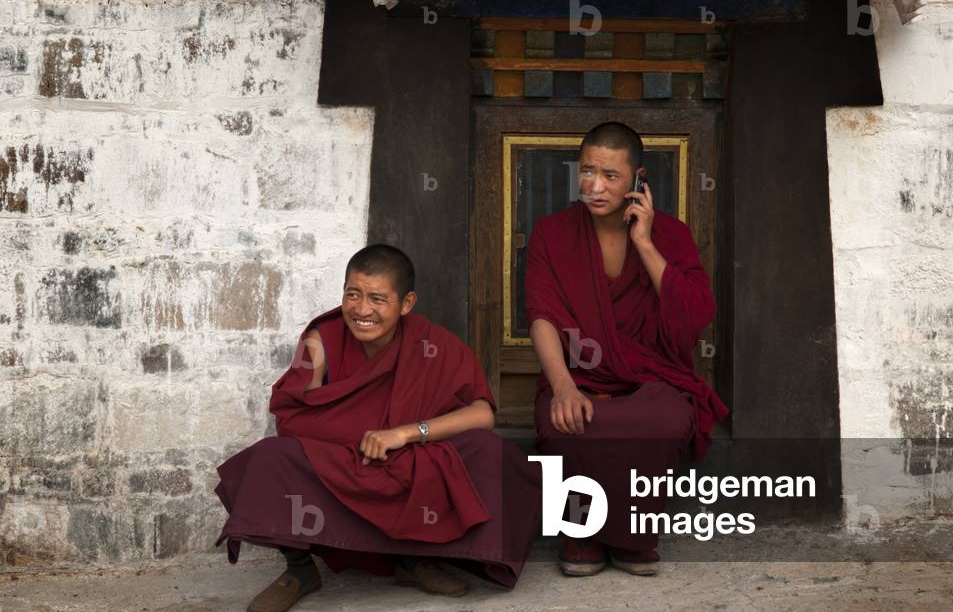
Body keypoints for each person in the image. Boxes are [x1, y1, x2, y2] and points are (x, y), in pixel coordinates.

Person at [214, 244, 540, 612]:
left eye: (377, 299)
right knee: (272, 456)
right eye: (353, 294)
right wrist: (361, 435)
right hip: (346, 457)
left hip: (407, 452)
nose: (362, 310)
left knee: (489, 451)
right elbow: (291, 416)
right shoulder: (321, 341)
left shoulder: (431, 344)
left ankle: (413, 561)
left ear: (406, 303)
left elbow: (482, 414)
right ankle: (300, 569)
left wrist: (403, 433)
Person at [525, 121, 729, 577]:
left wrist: (645, 243)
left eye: (611, 176)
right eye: (587, 172)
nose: (595, 187)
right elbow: (542, 316)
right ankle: (580, 533)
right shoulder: (552, 234)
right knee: (565, 421)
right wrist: (561, 387)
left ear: (638, 178)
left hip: (650, 382)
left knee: (666, 418)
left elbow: (696, 313)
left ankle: (634, 537)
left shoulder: (670, 235)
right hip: (580, 377)